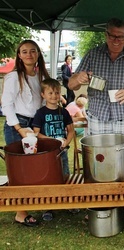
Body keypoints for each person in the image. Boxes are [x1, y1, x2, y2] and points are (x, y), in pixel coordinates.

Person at [68, 18, 124, 166]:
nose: (116, 40)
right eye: (112, 36)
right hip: (98, 116)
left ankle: (123, 188)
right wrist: (78, 78)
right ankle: (101, 189)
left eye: (121, 36)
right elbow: (72, 84)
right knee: (97, 160)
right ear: (106, 35)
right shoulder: (93, 54)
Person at [1, 39, 50, 227]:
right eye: (24, 51)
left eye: (32, 51)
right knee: (19, 169)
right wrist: (20, 129)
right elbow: (7, 105)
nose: (29, 54)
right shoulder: (14, 77)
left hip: (36, 124)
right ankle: (21, 212)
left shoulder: (41, 76)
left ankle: (44, 202)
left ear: (38, 54)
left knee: (37, 165)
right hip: (18, 125)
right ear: (19, 56)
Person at [31, 78, 75, 220]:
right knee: (47, 178)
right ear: (43, 95)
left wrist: (65, 143)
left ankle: (68, 203)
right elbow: (36, 133)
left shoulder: (64, 112)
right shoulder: (40, 113)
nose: (54, 96)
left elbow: (71, 131)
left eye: (56, 93)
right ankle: (48, 207)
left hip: (61, 151)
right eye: (50, 93)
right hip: (46, 153)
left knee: (65, 175)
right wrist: (52, 141)